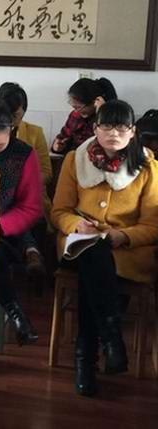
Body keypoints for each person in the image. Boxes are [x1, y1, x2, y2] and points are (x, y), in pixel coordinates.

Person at [51, 100, 158, 396]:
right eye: (107, 126)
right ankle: (111, 338)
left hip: (126, 250)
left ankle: (86, 358)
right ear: (95, 128)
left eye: (122, 127)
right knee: (92, 253)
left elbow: (153, 225)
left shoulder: (148, 167)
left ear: (133, 131)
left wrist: (122, 235)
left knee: (94, 269)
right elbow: (59, 212)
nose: (114, 133)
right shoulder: (75, 160)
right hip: (79, 243)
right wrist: (77, 225)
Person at [0, 101, 43, 345]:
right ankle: (16, 315)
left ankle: (16, 314)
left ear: (11, 133)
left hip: (4, 230)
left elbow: (31, 207)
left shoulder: (22, 155)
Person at [0, 82, 50, 279]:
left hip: (27, 195)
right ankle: (30, 251)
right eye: (8, 115)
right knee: (8, 207)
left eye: (16, 115)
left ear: (24, 112)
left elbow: (47, 172)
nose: (12, 121)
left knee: (20, 209)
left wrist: (23, 181)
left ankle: (29, 254)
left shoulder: (34, 133)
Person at [52, 77, 117, 154]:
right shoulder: (75, 115)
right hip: (74, 157)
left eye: (78, 107)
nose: (76, 111)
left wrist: (102, 113)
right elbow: (62, 137)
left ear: (95, 102)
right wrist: (57, 147)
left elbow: (109, 146)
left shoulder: (112, 118)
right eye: (74, 107)